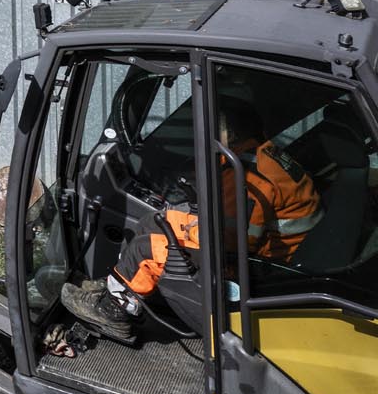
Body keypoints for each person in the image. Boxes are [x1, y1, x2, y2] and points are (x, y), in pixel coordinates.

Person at [63, 99, 322, 344]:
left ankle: (115, 312)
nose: (209, 133)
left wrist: (185, 231)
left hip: (259, 271)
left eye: (217, 128)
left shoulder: (248, 178)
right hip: (267, 256)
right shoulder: (262, 154)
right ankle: (118, 287)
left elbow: (229, 241)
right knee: (156, 221)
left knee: (148, 248)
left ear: (232, 134)